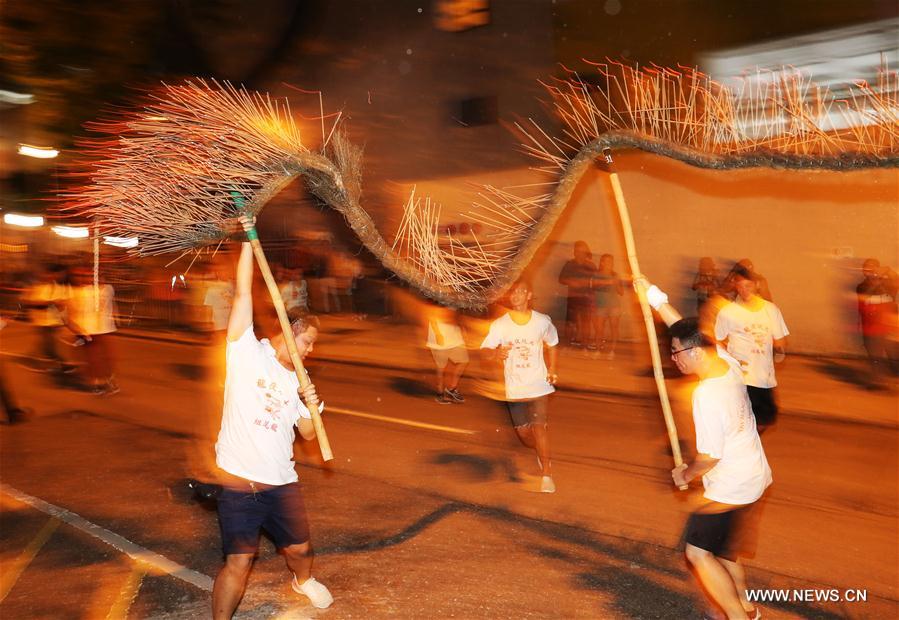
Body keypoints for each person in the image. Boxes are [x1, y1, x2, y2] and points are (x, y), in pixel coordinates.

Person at [212, 216, 332, 617]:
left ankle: (302, 580)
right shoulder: (246, 351)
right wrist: (249, 238)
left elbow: (309, 437)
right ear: (290, 329)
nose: (311, 350)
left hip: (282, 481)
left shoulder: (301, 379)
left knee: (301, 549)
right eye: (308, 341)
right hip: (239, 480)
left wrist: (311, 407)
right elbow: (244, 293)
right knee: (239, 562)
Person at [638, 280, 770, 620]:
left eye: (676, 352)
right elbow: (684, 328)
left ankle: (736, 617)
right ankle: (746, 607)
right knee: (725, 551)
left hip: (730, 488)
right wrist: (654, 296)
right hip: (755, 477)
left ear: (695, 352)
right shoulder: (722, 358)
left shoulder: (707, 394)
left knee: (697, 554)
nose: (673, 358)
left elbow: (710, 457)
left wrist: (684, 474)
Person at [481, 279, 559, 493]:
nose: (515, 295)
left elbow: (552, 343)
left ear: (529, 295)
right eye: (512, 292)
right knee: (525, 436)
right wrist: (495, 354)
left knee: (539, 429)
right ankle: (540, 451)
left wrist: (552, 369)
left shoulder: (542, 321)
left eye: (520, 291)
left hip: (539, 385)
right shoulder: (500, 325)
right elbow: (485, 350)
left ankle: (547, 473)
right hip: (515, 389)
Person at [714, 265, 788, 432]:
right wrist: (728, 361)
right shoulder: (728, 312)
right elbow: (717, 341)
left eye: (748, 285)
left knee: (765, 420)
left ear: (756, 285)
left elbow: (781, 341)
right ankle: (741, 447)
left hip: (763, 376)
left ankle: (748, 442)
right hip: (741, 376)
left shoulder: (771, 310)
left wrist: (779, 351)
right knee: (740, 419)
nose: (744, 290)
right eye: (740, 286)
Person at [66, 267, 119, 395]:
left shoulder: (106, 289)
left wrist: (115, 317)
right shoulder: (83, 292)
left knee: (105, 357)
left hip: (104, 328)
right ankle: (97, 382)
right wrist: (77, 328)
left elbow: (111, 305)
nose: (91, 279)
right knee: (93, 357)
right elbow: (74, 312)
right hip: (89, 329)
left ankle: (106, 381)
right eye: (88, 276)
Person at [856, 258, 897, 379]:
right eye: (866, 268)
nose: (869, 270)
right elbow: (867, 293)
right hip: (871, 327)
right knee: (875, 356)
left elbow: (897, 280)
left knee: (894, 355)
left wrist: (888, 270)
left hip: (888, 326)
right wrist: (876, 281)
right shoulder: (861, 286)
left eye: (872, 267)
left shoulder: (889, 284)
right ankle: (878, 380)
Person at [425, 304, 469, 404]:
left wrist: (463, 329)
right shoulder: (439, 295)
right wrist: (437, 333)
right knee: (441, 368)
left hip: (455, 338)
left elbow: (456, 316)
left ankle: (452, 389)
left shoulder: (456, 297)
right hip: (440, 340)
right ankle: (440, 393)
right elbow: (432, 315)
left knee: (464, 361)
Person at [558, 240, 596, 347]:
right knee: (570, 323)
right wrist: (571, 282)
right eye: (578, 251)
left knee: (586, 323)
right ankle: (567, 345)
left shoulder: (591, 266)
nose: (580, 253)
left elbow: (596, 282)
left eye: (583, 251)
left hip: (586, 298)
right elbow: (561, 279)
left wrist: (589, 288)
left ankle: (584, 345)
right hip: (573, 298)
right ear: (574, 252)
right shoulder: (570, 264)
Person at [590, 253, 624, 359]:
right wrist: (606, 282)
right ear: (602, 262)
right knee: (599, 329)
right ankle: (598, 350)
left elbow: (621, 292)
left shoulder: (615, 275)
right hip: (600, 305)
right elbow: (593, 287)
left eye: (611, 261)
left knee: (614, 328)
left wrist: (616, 283)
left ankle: (612, 351)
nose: (609, 263)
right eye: (607, 261)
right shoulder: (596, 274)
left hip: (614, 306)